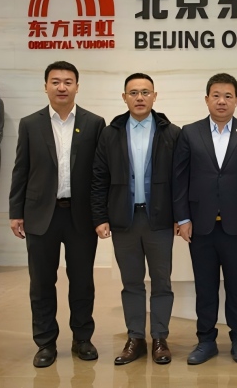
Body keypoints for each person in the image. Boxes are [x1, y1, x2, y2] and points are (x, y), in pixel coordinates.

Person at [9, 61, 105, 368]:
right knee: (41, 283)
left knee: (82, 282)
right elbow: (21, 169)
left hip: (80, 217)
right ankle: (45, 342)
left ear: (77, 86)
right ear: (46, 86)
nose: (61, 87)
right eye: (55, 81)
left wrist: (100, 214)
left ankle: (82, 339)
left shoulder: (94, 123)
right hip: (40, 216)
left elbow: (99, 174)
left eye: (67, 82)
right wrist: (15, 211)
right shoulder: (30, 124)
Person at [172, 73, 237, 365]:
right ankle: (206, 340)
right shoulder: (190, 132)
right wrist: (182, 218)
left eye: (228, 96)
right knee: (205, 286)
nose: (222, 101)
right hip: (200, 224)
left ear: (236, 100)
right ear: (206, 99)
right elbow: (179, 179)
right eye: (216, 95)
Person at [91, 73, 181, 365]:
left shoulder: (171, 133)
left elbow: (181, 181)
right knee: (131, 282)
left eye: (145, 92)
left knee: (162, 281)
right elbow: (99, 178)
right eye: (133, 92)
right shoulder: (111, 133)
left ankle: (160, 338)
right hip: (124, 220)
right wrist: (100, 216)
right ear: (124, 97)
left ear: (155, 96)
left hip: (160, 220)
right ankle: (135, 338)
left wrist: (181, 217)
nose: (139, 97)